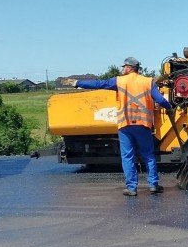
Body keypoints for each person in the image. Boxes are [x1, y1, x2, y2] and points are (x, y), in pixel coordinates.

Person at [61, 57, 173, 197]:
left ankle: (131, 188)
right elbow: (161, 99)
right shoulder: (148, 81)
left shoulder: (119, 81)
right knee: (148, 155)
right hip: (143, 125)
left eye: (123, 67)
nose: (122, 69)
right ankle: (153, 185)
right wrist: (170, 108)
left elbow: (98, 84)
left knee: (128, 156)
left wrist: (77, 82)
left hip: (125, 125)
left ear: (128, 68)